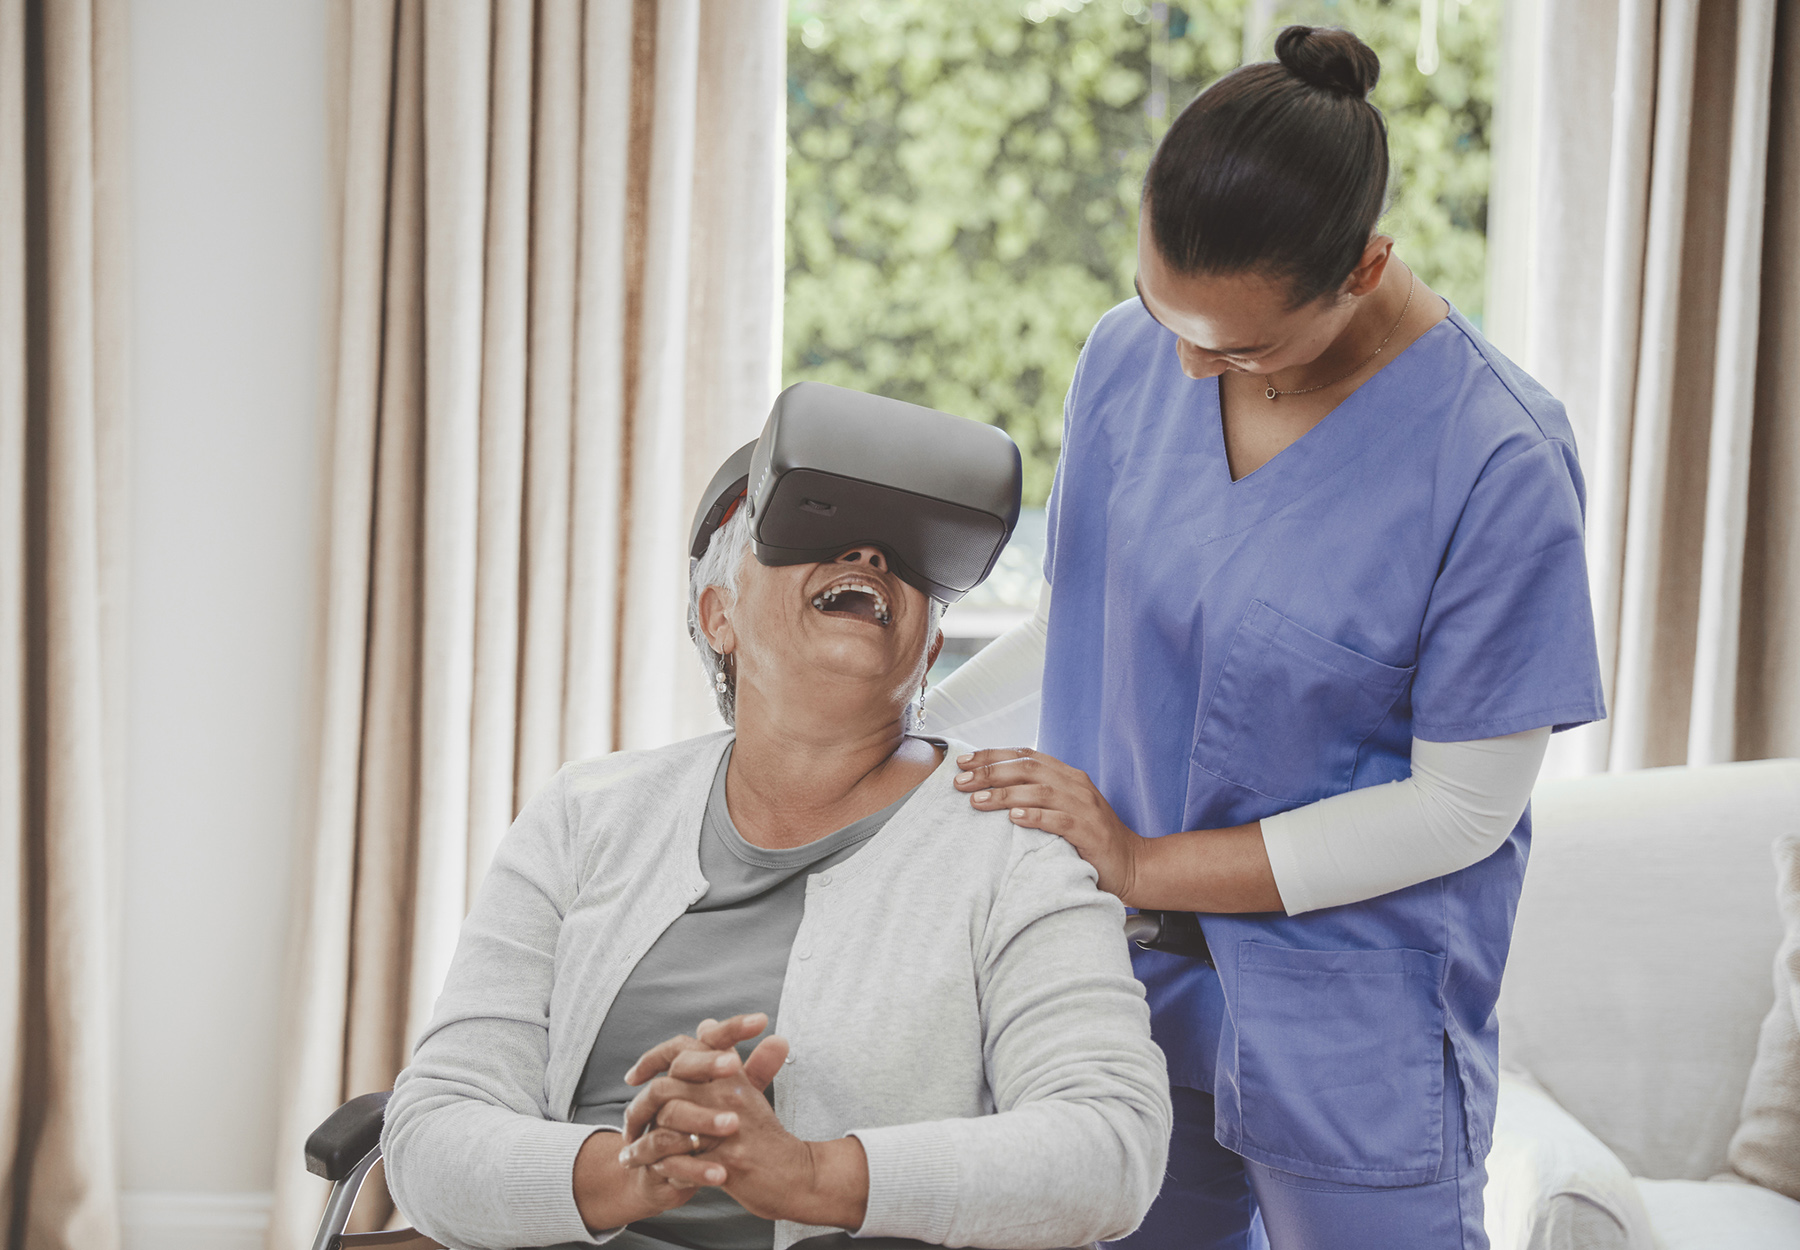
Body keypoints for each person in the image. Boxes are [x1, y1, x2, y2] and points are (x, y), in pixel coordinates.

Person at [927, 25, 1605, 1250]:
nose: (1187, 365)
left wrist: (1141, 860)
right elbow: (1084, 621)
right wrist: (915, 731)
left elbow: (1461, 808)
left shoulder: (1496, 460)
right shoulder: (1131, 358)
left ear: (1365, 266)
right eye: (1160, 308)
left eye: (1237, 344)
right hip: (1119, 988)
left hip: (1353, 1025)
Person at [380, 502, 1172, 1250]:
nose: (867, 555)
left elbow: (1111, 1144)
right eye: (810, 527)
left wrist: (814, 1176)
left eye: (901, 551)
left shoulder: (1018, 840)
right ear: (718, 615)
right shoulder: (585, 814)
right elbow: (434, 1126)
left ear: (929, 646)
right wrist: (635, 1170)